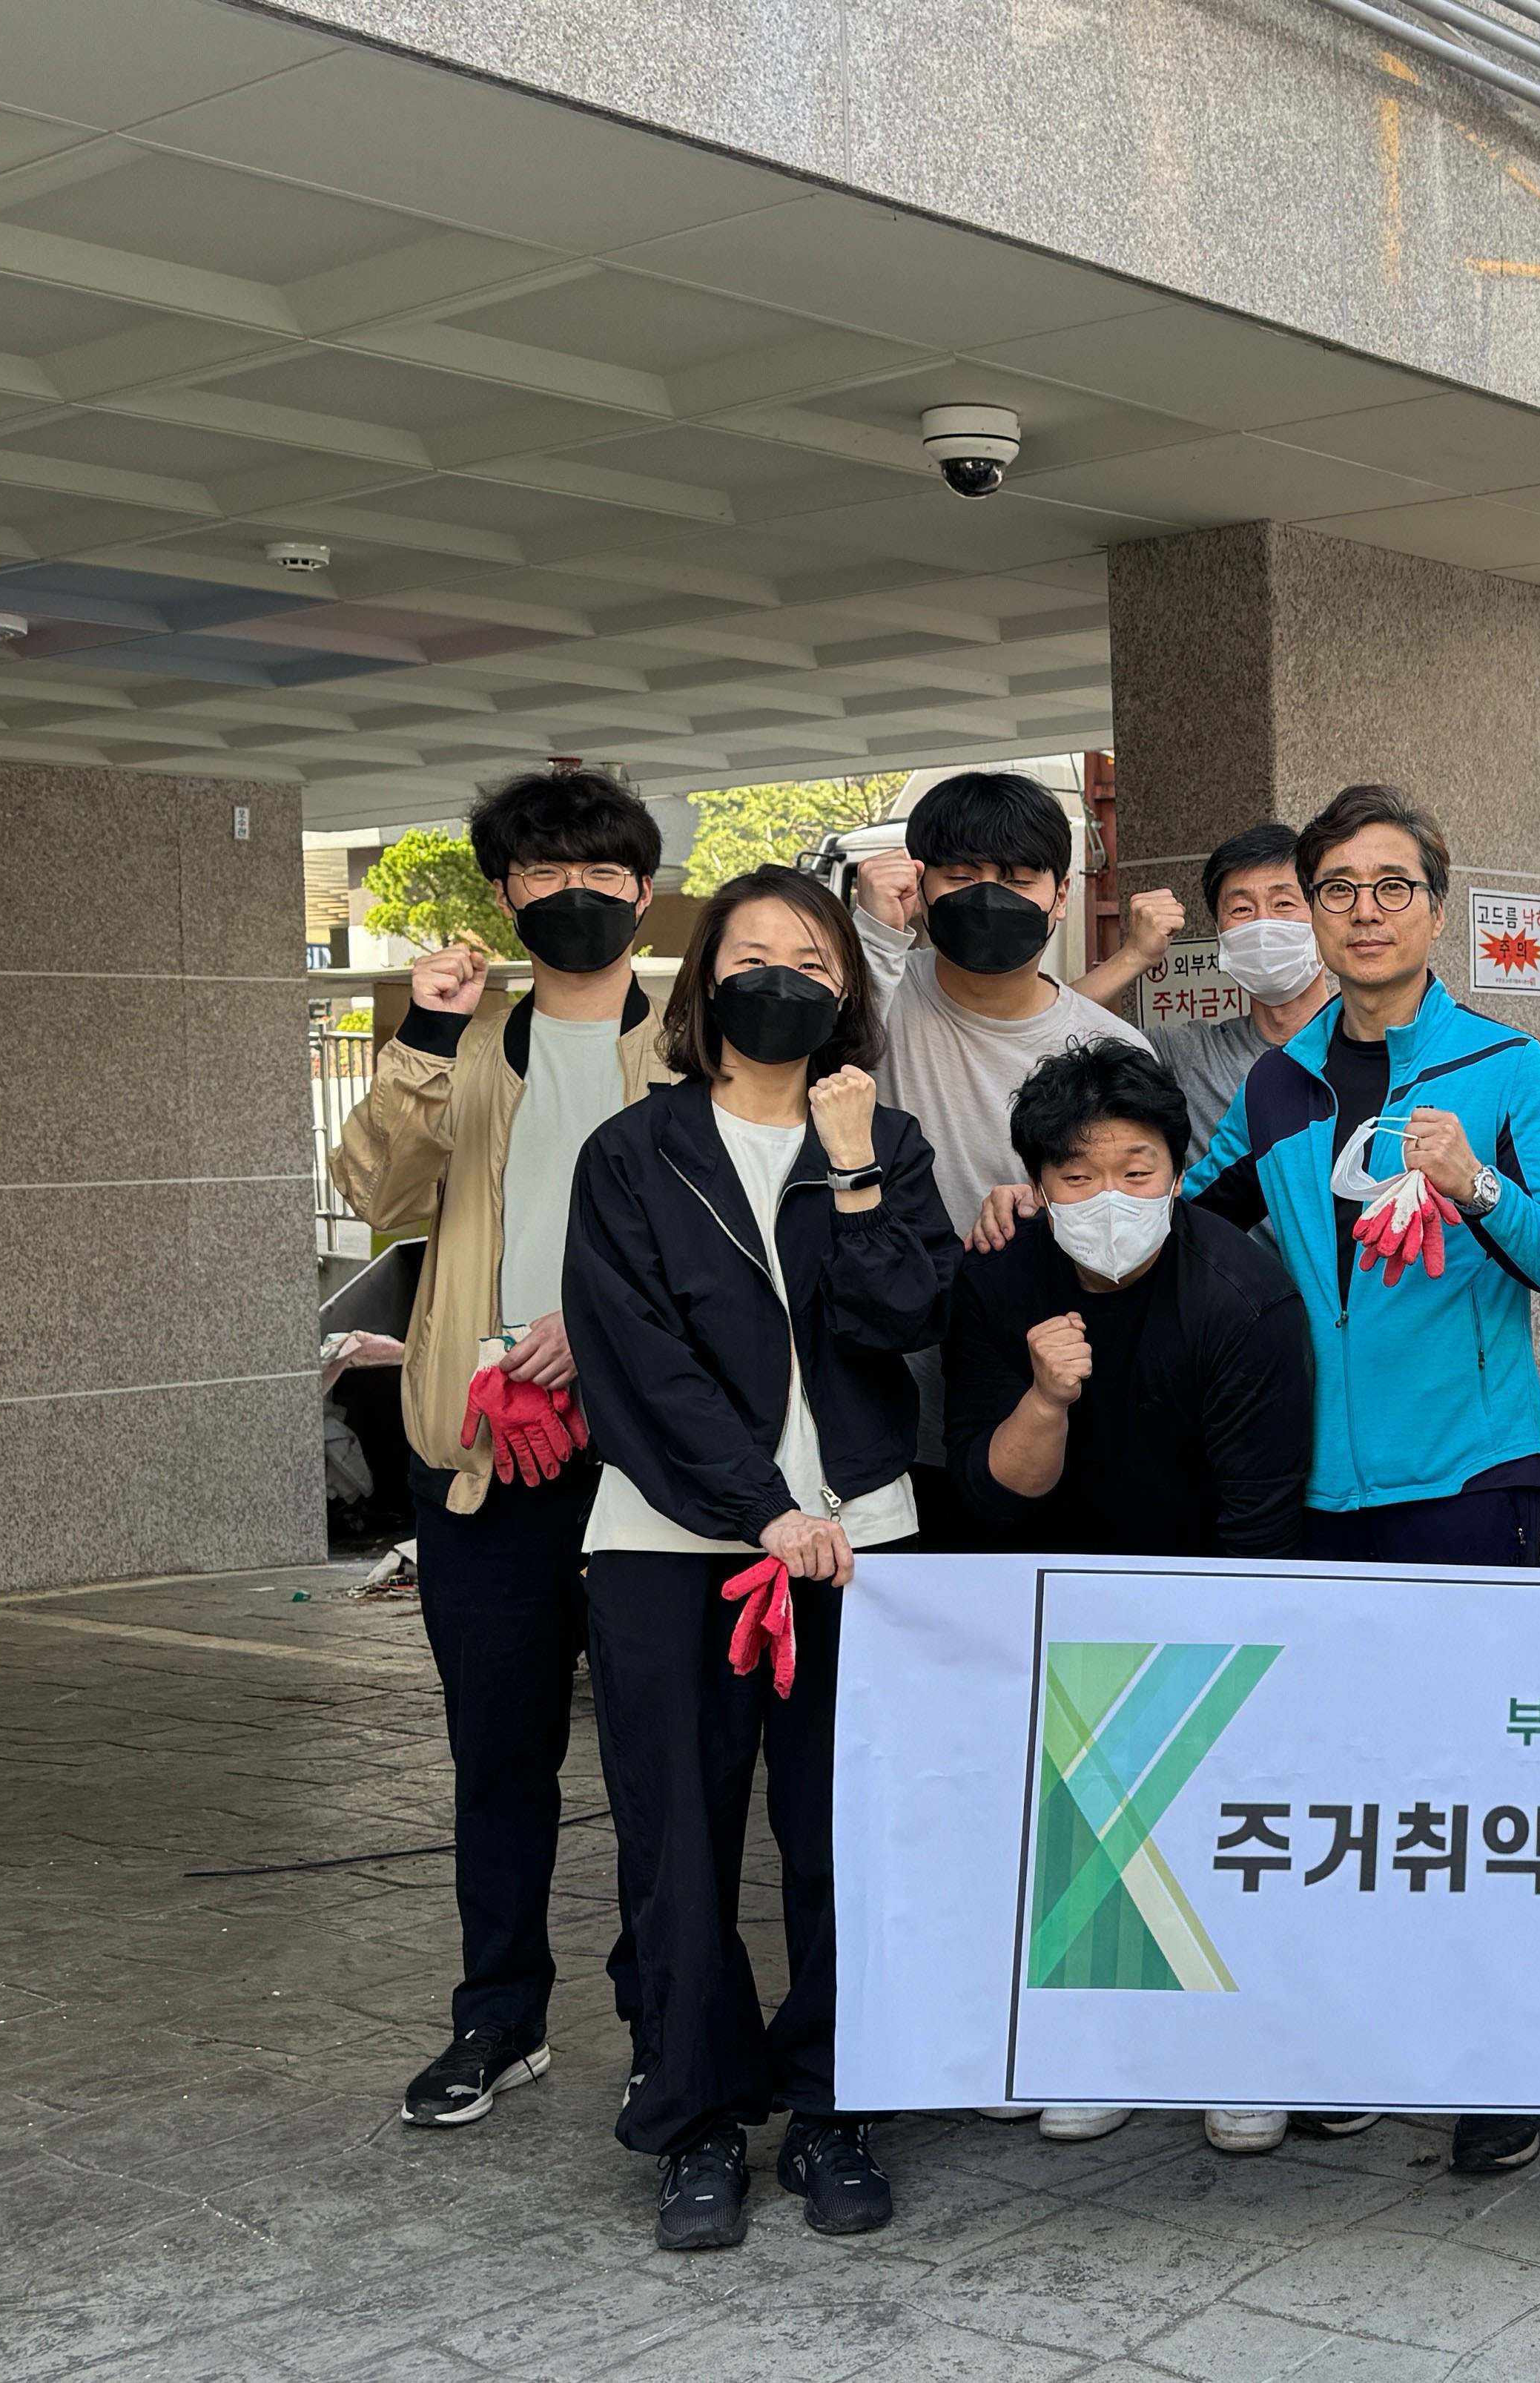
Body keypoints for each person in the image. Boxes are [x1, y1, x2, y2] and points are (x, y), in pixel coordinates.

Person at [1182, 782, 1540, 2178]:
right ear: (1313, 911)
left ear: (1435, 906)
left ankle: (1500, 2057)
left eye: (1391, 886)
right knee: (1350, 1780)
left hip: (1466, 1475)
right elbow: (1192, 1215)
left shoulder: (1506, 1068)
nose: (1364, 912)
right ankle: (1362, 2041)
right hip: (1315, 1485)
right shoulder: (1279, 1084)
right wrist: (1061, 1197)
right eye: (1338, 890)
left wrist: (1477, 1185)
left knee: (1468, 1771)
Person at [564, 866, 962, 2252]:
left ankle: (836, 2103)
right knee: (677, 1839)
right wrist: (759, 1507)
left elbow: (904, 1316)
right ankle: (696, 2116)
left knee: (842, 1837)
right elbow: (637, 1359)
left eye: (811, 956)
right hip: (674, 1545)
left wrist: (853, 1173)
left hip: (861, 1542)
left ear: (846, 986)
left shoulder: (886, 1142)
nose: (779, 978)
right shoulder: (635, 1153)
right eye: (750, 954)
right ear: (704, 980)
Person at [328, 765, 669, 2131]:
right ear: (504, 891)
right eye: (544, 870)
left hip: (656, 1458)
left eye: (601, 870)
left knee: (661, 1756)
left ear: (644, 890)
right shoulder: (463, 1044)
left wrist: (604, 1321)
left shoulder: (695, 1042)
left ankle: (664, 2014)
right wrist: (422, 1035)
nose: (574, 892)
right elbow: (377, 1194)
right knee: (500, 1753)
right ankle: (497, 2014)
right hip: (483, 1457)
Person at [939, 1038, 1321, 2158]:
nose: (1109, 1196)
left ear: (1178, 1169)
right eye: (1077, 1175)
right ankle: (1089, 2043)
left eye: (1136, 1170)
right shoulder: (999, 1281)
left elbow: (1260, 1521)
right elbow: (991, 1493)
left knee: (1214, 1814)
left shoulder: (1243, 1293)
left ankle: (1240, 2050)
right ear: (1036, 1183)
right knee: (1067, 1819)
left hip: (1208, 1578)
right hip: (1050, 1582)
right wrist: (1045, 1399)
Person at [841, 771, 1148, 1543]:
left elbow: (1148, 1203)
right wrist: (873, 934)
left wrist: (1059, 1195)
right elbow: (815, 1060)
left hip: (1049, 1400)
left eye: (1016, 879)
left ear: (1061, 895)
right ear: (920, 882)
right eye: (961, 875)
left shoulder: (1112, 1050)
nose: (988, 897)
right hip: (884, 1406)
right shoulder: (878, 998)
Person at [1143, 823, 1335, 1147]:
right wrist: (1134, 957)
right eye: (1241, 909)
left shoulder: (1376, 1048)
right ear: (1220, 935)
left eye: (1283, 903)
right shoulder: (1191, 1054)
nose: (1263, 924)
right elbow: (1052, 1037)